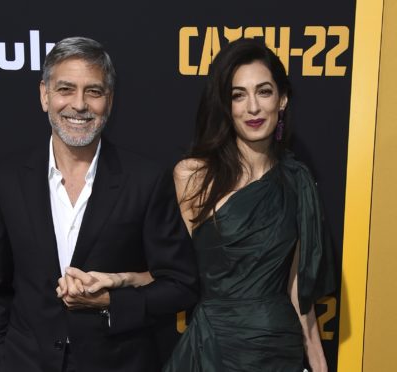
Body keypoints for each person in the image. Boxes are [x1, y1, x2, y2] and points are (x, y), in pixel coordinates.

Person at [67, 38, 335, 371]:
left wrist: (319, 364)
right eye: (238, 95)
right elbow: (175, 275)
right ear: (226, 105)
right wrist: (118, 279)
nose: (252, 107)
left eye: (264, 92)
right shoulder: (194, 176)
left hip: (278, 350)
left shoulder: (298, 181)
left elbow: (300, 292)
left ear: (281, 100)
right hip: (213, 351)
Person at [0, 36, 199, 372]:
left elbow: (182, 284)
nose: (79, 104)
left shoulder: (145, 180)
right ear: (44, 95)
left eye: (93, 91)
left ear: (109, 101)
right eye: (66, 89)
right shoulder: (4, 179)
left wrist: (111, 301)